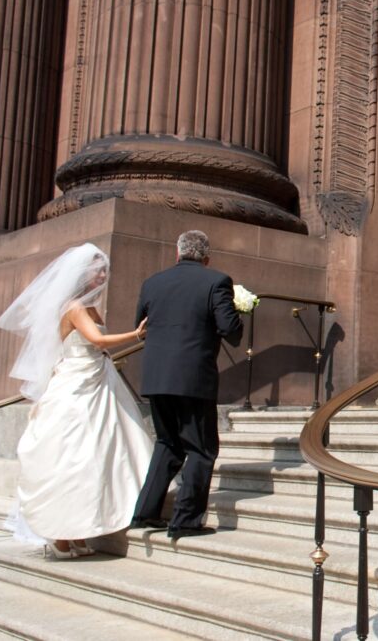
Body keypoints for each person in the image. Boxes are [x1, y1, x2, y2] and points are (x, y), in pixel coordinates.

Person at [0, 243, 153, 559]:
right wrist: (136, 335)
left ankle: (78, 533)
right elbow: (97, 340)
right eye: (98, 271)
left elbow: (97, 346)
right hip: (76, 386)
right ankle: (60, 536)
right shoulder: (74, 308)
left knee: (92, 456)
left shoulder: (90, 307)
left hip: (97, 381)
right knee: (72, 457)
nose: (103, 275)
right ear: (82, 274)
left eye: (105, 270)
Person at [131, 230, 243, 539]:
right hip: (193, 378)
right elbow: (230, 330)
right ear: (206, 258)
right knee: (201, 449)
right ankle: (185, 520)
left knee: (167, 444)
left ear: (177, 253)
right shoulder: (217, 281)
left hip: (156, 376)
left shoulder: (152, 282)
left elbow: (139, 325)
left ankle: (144, 512)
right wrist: (238, 312)